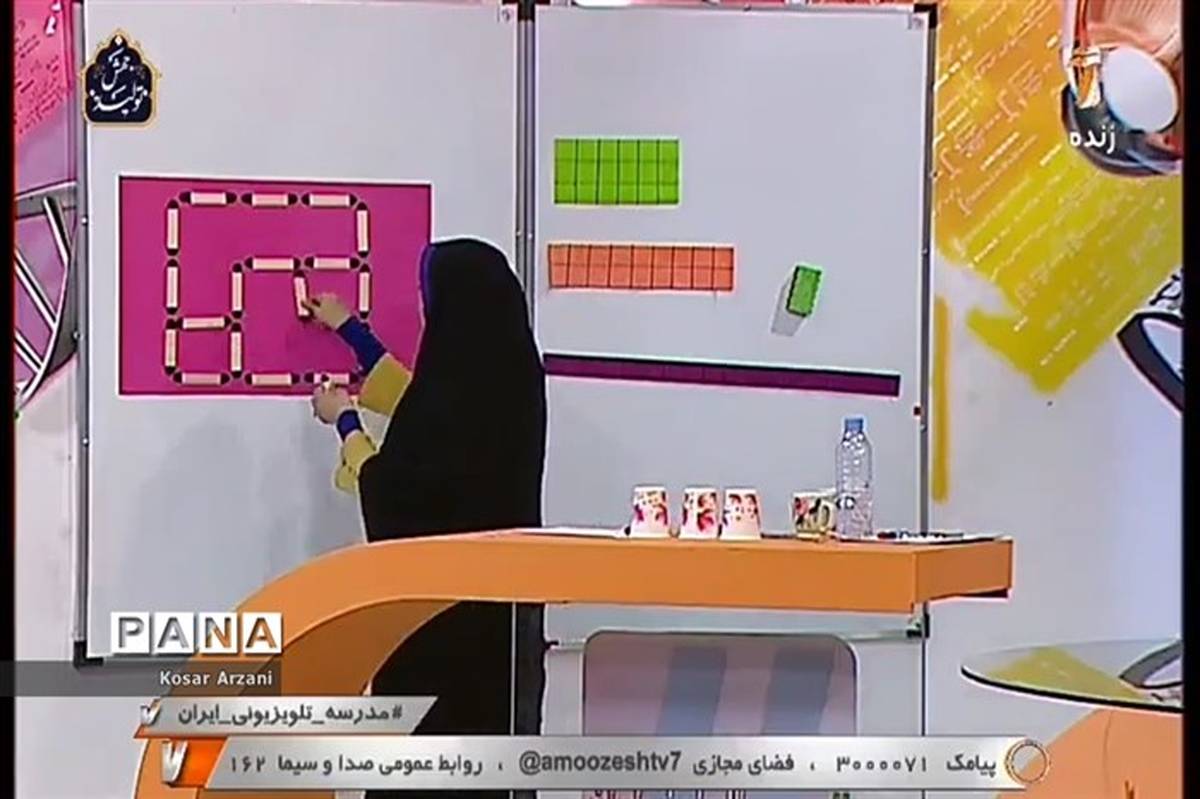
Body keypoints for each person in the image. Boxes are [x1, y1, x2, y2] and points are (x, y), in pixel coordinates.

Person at [305, 238, 547, 799]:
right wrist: (350, 331)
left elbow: (396, 496)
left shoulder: (453, 406)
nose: (421, 310)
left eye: (427, 299)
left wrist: (345, 421)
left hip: (441, 639)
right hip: (504, 636)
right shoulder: (511, 379)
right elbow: (420, 405)